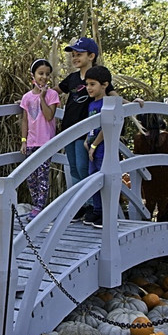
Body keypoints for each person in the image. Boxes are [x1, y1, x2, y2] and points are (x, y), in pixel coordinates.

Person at [53, 37, 116, 222]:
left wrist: (132, 104)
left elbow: (114, 97)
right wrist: (30, 98)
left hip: (86, 132)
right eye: (73, 55)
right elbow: (55, 91)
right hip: (69, 129)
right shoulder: (72, 78)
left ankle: (90, 205)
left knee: (83, 168)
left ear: (91, 56)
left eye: (79, 54)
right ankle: (79, 205)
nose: (74, 58)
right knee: (73, 168)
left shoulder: (98, 77)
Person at [20, 58, 61, 218]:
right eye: (40, 73)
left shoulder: (52, 95)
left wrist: (43, 97)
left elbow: (49, 116)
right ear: (33, 75)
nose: (44, 77)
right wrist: (23, 140)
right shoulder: (26, 97)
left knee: (43, 177)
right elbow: (25, 120)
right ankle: (36, 204)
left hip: (46, 143)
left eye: (47, 74)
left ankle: (39, 207)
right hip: (31, 142)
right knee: (31, 178)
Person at [132, 114, 168, 222]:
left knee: (149, 203)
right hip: (166, 176)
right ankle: (162, 228)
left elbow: (136, 157)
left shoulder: (139, 139)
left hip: (148, 177)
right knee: (164, 205)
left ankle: (145, 227)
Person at [81, 65, 113, 228]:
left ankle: (107, 213)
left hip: (103, 148)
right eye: (87, 84)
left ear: (105, 85)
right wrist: (88, 141)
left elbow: (105, 127)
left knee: (104, 179)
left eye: (92, 84)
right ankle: (97, 211)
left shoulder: (106, 103)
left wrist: (94, 144)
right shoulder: (91, 104)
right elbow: (91, 126)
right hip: (92, 147)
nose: (88, 88)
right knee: (92, 177)